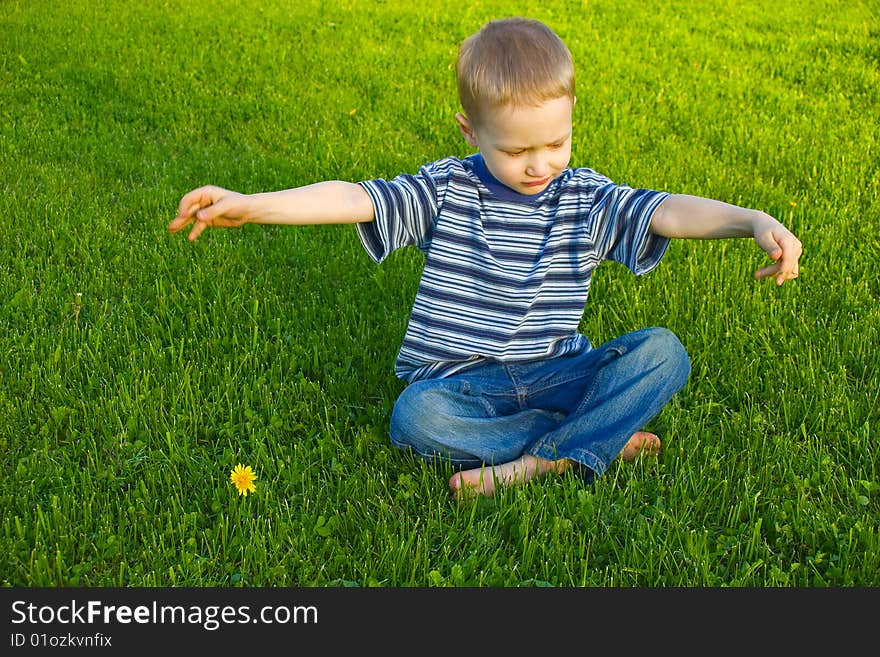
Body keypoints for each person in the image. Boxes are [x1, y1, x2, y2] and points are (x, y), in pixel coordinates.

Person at [168, 17, 802, 500]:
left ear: (572, 116)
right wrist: (254, 204)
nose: (538, 164)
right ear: (470, 132)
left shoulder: (586, 197)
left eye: (556, 142)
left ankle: (543, 457)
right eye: (515, 149)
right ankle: (589, 440)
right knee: (415, 417)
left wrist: (751, 220)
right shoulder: (446, 190)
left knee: (664, 352)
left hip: (557, 370)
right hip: (461, 383)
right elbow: (354, 197)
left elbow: (667, 210)